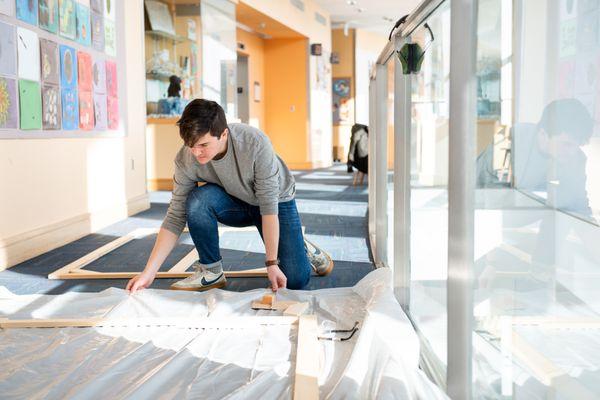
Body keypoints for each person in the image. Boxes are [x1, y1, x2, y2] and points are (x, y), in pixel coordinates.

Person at [127, 99, 333, 293]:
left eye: (204, 145)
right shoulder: (186, 158)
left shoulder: (254, 143)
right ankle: (211, 271)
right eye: (191, 145)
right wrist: (149, 272)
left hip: (276, 202)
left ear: (223, 134)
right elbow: (175, 216)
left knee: (296, 279)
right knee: (197, 200)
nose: (196, 152)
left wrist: (271, 264)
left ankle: (301, 245)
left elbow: (269, 208)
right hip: (235, 199)